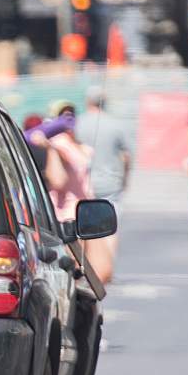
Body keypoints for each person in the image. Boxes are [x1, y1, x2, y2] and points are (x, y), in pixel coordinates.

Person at [74, 88, 132, 283]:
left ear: (88, 101)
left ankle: (83, 267)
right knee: (109, 226)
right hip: (111, 181)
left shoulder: (78, 124)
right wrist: (125, 179)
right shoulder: (116, 125)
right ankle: (106, 270)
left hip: (84, 181)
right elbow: (126, 156)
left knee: (82, 225)